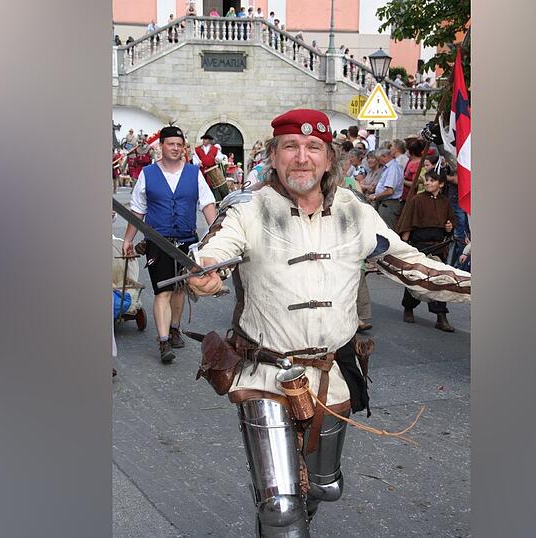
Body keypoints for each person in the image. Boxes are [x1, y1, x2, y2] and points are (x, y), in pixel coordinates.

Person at [186, 108, 470, 537]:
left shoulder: (355, 212)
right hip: (265, 371)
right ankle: (279, 521)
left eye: (313, 147)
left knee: (325, 488)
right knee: (281, 507)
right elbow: (215, 250)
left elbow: (410, 266)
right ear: (274, 156)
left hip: (328, 373)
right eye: (290, 147)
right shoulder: (248, 209)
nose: (302, 157)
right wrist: (205, 272)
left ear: (329, 158)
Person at [121, 126, 218, 364]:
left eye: (179, 145)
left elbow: (207, 206)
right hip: (158, 242)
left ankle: (175, 328)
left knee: (179, 289)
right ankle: (164, 341)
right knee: (162, 291)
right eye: (171, 144)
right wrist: (128, 239)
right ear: (161, 146)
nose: (176, 148)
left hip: (187, 241)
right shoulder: (147, 173)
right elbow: (138, 209)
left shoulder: (194, 173)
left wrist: (217, 237)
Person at [395, 170, 456, 332]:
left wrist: (449, 227)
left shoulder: (445, 202)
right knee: (415, 279)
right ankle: (409, 307)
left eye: (432, 181)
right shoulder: (417, 199)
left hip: (438, 246)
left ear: (441, 184)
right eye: (427, 180)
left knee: (440, 281)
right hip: (419, 246)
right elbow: (407, 222)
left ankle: (441, 317)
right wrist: (405, 245)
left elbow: (450, 224)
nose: (428, 183)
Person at [366, 148, 404, 229]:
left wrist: (375, 196)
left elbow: (389, 191)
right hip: (384, 203)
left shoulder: (393, 168)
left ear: (384, 156)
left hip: (389, 204)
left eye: (378, 159)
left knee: (387, 229)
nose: (379, 162)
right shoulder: (388, 168)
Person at [192, 133, 230, 201]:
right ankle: (201, 200)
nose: (204, 140)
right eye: (203, 139)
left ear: (209, 140)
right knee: (201, 185)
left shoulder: (215, 149)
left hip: (212, 170)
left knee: (213, 186)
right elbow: (195, 159)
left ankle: (214, 199)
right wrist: (197, 163)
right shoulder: (197, 149)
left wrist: (218, 159)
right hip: (201, 170)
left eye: (205, 139)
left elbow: (220, 156)